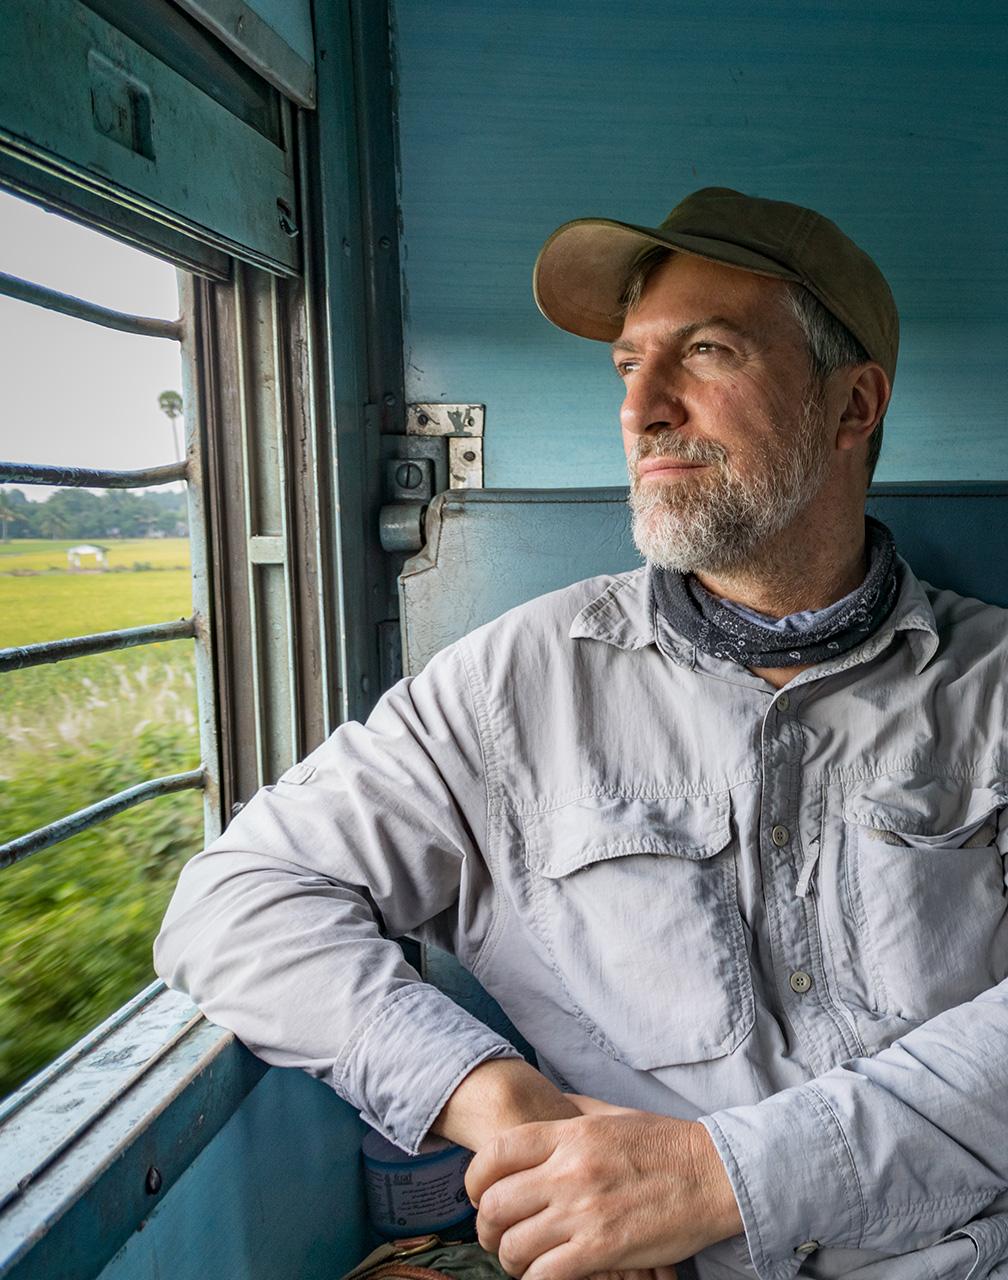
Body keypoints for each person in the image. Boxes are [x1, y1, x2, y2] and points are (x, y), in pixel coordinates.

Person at [154, 188, 1008, 1280]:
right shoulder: (512, 685)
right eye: (625, 365)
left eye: (705, 351)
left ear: (851, 404)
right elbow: (232, 898)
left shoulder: (991, 685)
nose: (644, 406)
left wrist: (718, 1176)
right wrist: (503, 1101)